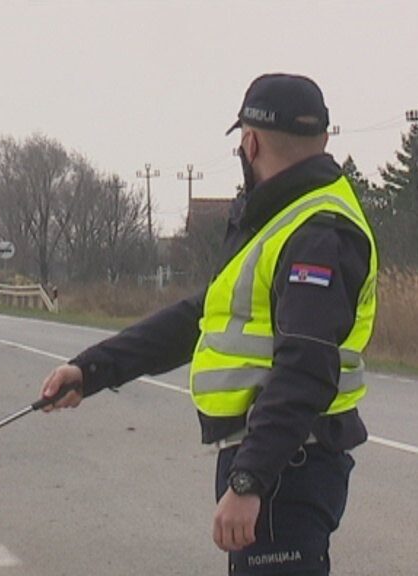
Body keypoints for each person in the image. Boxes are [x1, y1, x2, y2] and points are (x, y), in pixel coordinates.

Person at [40, 73, 377, 575]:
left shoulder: (315, 232)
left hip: (287, 466)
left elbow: (306, 368)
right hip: (279, 460)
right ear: (324, 139)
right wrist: (92, 370)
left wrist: (250, 481)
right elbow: (200, 318)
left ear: (250, 141)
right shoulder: (280, 219)